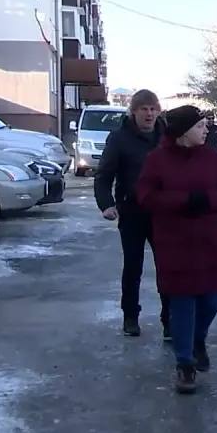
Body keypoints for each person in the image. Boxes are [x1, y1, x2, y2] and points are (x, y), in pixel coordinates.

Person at [136, 105, 217, 394]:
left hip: (209, 242)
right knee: (182, 304)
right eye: (200, 126)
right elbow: (146, 196)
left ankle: (196, 339)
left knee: (211, 302)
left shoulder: (214, 158)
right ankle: (185, 364)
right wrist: (183, 201)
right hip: (174, 243)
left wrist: (207, 200)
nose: (206, 130)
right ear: (183, 132)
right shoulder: (157, 160)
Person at [94, 89, 170, 338]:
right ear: (133, 112)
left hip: (163, 212)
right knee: (133, 266)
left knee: (167, 266)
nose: (149, 114)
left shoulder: (167, 137)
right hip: (132, 210)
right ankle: (130, 316)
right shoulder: (120, 138)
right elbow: (104, 175)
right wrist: (106, 204)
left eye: (153, 109)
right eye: (144, 109)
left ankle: (169, 318)